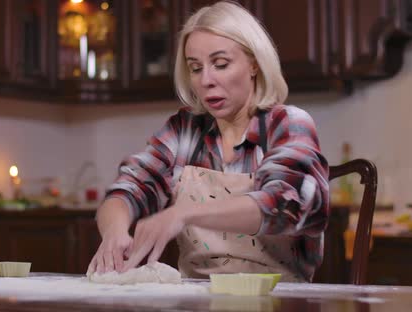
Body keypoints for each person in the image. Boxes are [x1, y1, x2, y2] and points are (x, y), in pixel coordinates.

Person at [87, 1, 329, 283]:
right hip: (195, 297)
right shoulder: (185, 129)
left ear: (254, 64)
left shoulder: (287, 124)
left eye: (220, 64)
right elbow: (129, 188)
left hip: (278, 299)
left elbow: (286, 204)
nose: (206, 80)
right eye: (195, 68)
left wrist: (185, 213)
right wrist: (114, 231)